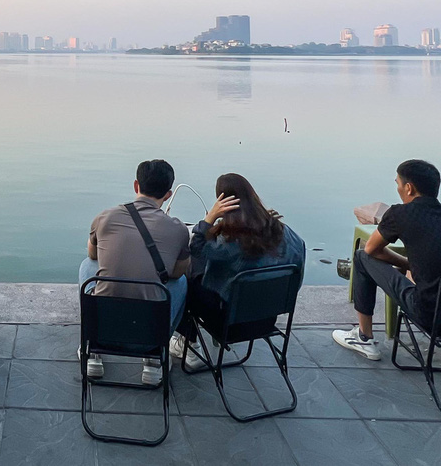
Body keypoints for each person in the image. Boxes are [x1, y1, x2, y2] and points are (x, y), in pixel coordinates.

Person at [332, 160, 441, 362]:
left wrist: (406, 264)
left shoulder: (400, 213)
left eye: (398, 184)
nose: (397, 189)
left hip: (429, 314)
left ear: (409, 188)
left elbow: (372, 249)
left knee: (361, 257)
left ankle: (364, 337)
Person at [171, 173, 306, 371]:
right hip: (268, 319)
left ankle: (190, 343)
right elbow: (298, 271)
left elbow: (196, 249)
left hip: (229, 323)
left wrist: (209, 219)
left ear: (223, 203)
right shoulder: (288, 234)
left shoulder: (231, 244)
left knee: (183, 280)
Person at [81, 159, 190, 385]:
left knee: (89, 266)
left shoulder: (105, 217)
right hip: (147, 336)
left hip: (104, 331)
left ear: (135, 186)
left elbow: (92, 254)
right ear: (168, 194)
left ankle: (92, 352)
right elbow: (178, 272)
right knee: (180, 282)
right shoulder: (178, 228)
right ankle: (154, 360)